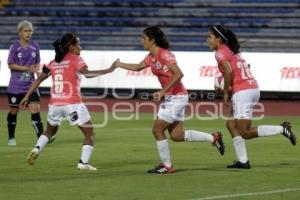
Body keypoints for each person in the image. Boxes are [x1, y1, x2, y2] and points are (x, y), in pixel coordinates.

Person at [114, 26, 225, 174]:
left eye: (143, 38)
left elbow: (179, 74)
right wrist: (118, 64)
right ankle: (213, 138)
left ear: (152, 40)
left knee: (157, 130)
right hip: (172, 98)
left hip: (177, 97)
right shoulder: (150, 57)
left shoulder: (165, 55)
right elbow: (137, 67)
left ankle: (167, 166)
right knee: (177, 136)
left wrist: (162, 91)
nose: (141, 41)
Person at [20, 33, 117, 170]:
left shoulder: (53, 63)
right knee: (90, 133)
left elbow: (39, 79)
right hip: (73, 103)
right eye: (78, 44)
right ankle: (83, 163)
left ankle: (36, 149)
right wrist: (110, 69)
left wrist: (26, 96)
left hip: (55, 104)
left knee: (49, 131)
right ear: (71, 47)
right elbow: (87, 74)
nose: (80, 47)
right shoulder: (76, 59)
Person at [207, 25, 297, 169]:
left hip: (243, 92)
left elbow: (229, 72)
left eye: (210, 37)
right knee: (231, 125)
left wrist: (223, 92)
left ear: (218, 39)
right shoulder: (231, 50)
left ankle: (282, 129)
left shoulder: (220, 53)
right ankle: (243, 161)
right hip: (252, 88)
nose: (208, 40)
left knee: (245, 132)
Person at [6, 20, 43, 146]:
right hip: (16, 86)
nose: (29, 33)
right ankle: (11, 137)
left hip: (30, 85)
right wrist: (27, 68)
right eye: (26, 31)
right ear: (20, 32)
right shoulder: (14, 47)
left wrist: (37, 70)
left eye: (30, 31)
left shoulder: (35, 46)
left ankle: (41, 139)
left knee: (35, 109)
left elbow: (37, 62)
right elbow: (10, 64)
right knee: (13, 111)